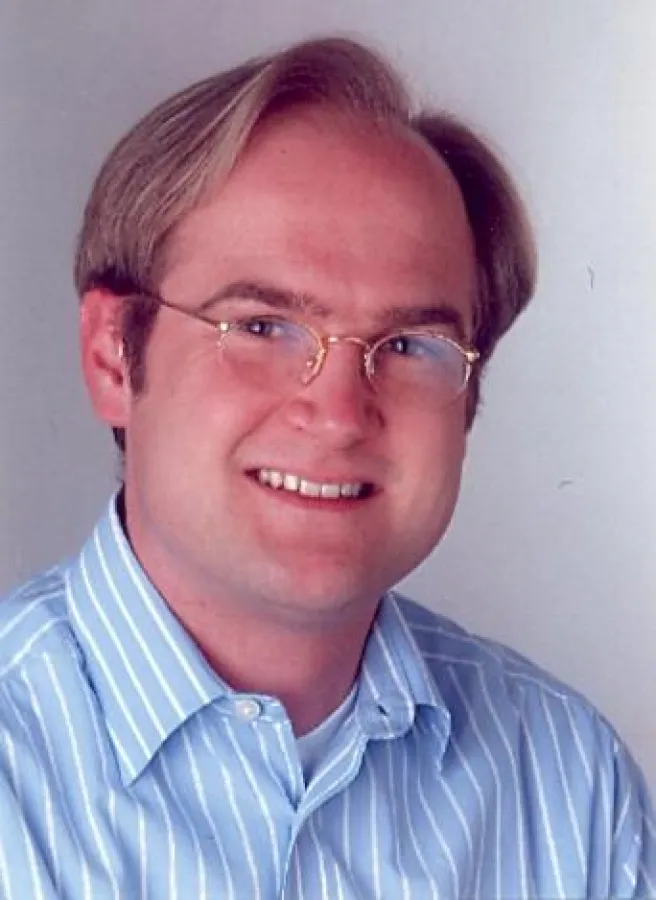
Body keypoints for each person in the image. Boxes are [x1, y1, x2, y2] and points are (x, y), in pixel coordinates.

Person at [0, 36, 653, 900]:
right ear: (113, 357)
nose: (340, 413)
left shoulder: (569, 788)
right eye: (262, 327)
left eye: (411, 345)